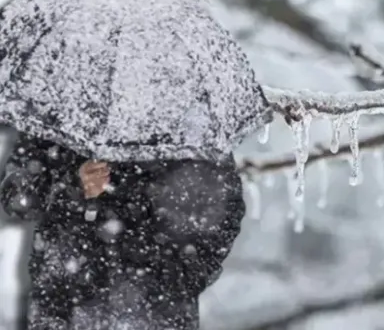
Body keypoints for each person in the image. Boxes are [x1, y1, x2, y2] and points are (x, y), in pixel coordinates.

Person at [0, 129, 246, 330]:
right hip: (64, 304)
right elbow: (17, 198)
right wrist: (73, 186)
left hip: (158, 309)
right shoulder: (59, 105)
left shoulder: (187, 118)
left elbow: (226, 206)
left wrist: (183, 276)